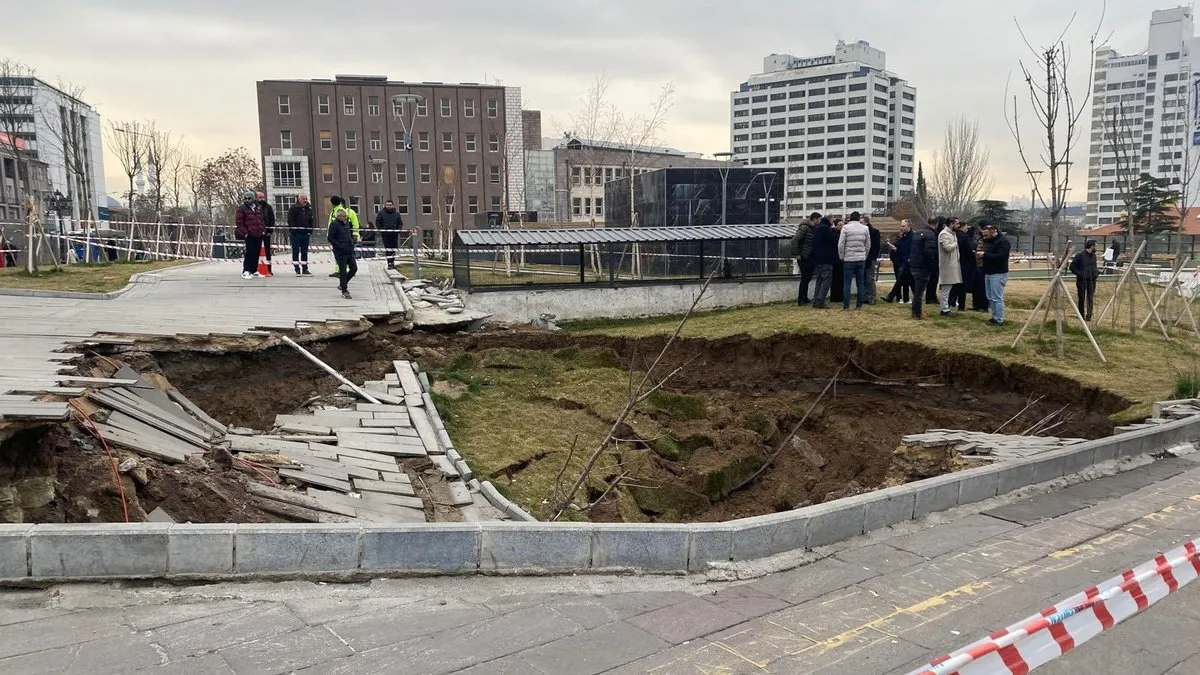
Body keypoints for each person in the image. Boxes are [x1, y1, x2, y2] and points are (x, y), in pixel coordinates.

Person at [978, 221, 1011, 325]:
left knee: (997, 297)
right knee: (990, 297)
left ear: (993, 231)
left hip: (998, 273)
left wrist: (985, 255)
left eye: (986, 235)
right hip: (988, 272)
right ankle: (994, 316)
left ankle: (999, 319)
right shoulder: (989, 241)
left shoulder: (1003, 242)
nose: (985, 237)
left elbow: (1001, 257)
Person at [838, 211, 870, 310]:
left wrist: (842, 256)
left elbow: (841, 244)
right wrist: (864, 255)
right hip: (861, 258)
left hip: (849, 258)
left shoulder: (845, 228)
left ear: (850, 218)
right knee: (860, 283)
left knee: (847, 283)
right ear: (858, 218)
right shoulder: (865, 228)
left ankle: (846, 306)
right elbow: (868, 245)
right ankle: (859, 305)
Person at [906, 218, 938, 319]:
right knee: (919, 292)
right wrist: (931, 266)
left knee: (917, 291)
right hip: (923, 266)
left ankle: (915, 312)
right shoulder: (931, 235)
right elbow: (929, 252)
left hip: (914, 264)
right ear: (936, 224)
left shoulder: (917, 232)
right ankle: (916, 313)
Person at [235, 190, 267, 279]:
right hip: (249, 234)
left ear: (252, 198)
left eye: (249, 198)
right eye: (245, 198)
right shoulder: (241, 209)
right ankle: (246, 270)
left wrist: (263, 230)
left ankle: (254, 270)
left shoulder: (258, 208)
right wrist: (245, 233)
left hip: (258, 234)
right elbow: (239, 222)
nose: (247, 200)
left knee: (256, 253)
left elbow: (261, 220)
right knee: (250, 252)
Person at [327, 196, 360, 277]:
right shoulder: (333, 212)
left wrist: (355, 235)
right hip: (336, 238)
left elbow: (355, 224)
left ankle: (348, 271)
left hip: (347, 238)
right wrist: (329, 235)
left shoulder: (350, 212)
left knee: (348, 255)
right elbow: (330, 224)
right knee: (338, 255)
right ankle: (339, 271)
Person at [328, 207, 357, 299]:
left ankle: (342, 284)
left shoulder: (346, 224)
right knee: (343, 271)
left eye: (346, 216)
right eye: (344, 216)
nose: (346, 217)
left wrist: (352, 242)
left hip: (349, 250)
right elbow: (330, 238)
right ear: (339, 216)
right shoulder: (334, 225)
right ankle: (344, 290)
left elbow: (349, 235)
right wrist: (339, 246)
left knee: (354, 268)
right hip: (340, 252)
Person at [791, 212, 819, 305]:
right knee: (805, 278)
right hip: (804, 257)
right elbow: (795, 240)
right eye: (818, 219)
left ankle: (804, 298)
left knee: (807, 278)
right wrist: (797, 254)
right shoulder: (805, 228)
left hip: (809, 256)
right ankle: (801, 299)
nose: (819, 222)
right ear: (814, 219)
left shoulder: (812, 229)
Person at [809, 216, 838, 309]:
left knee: (819, 279)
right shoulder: (826, 229)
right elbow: (833, 240)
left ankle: (815, 299)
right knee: (826, 280)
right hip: (826, 259)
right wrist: (833, 230)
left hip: (817, 259)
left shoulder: (817, 229)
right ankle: (820, 301)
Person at [937, 218, 962, 316]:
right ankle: (944, 309)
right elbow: (947, 248)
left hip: (952, 264)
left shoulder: (952, 234)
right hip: (947, 265)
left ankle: (946, 307)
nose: (958, 225)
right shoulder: (944, 234)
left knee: (949, 287)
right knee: (946, 288)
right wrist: (955, 243)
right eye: (957, 223)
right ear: (951, 224)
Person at [1070, 239, 1100, 321]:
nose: (1096, 248)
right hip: (1081, 280)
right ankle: (1081, 315)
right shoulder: (1080, 255)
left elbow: (1094, 266)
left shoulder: (1094, 256)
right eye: (1095, 246)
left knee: (1090, 297)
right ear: (1091, 246)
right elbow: (1072, 267)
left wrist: (1096, 273)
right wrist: (1080, 274)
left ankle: (1089, 315)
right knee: (1081, 298)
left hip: (1092, 280)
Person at [885, 220, 913, 303]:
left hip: (908, 262)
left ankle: (892, 297)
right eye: (901, 226)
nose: (901, 228)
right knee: (902, 280)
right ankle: (894, 297)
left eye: (903, 226)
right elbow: (901, 248)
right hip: (903, 261)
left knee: (905, 281)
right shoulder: (903, 236)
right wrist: (896, 249)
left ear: (909, 226)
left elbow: (912, 249)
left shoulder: (913, 236)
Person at [950, 221, 976, 311]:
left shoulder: (953, 236)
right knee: (962, 285)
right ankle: (961, 305)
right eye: (966, 227)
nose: (967, 229)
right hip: (965, 263)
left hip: (954, 262)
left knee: (954, 284)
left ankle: (951, 302)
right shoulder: (965, 238)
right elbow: (969, 250)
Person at [286, 194, 314, 275]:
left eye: (306, 199)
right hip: (296, 234)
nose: (305, 200)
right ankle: (297, 268)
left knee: (304, 252)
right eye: (303, 199)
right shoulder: (293, 208)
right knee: (295, 251)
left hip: (306, 234)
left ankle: (305, 268)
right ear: (299, 199)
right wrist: (294, 231)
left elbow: (311, 220)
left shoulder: (308, 208)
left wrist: (310, 231)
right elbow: (290, 220)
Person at [376, 199, 405, 269]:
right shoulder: (381, 213)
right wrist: (382, 230)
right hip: (386, 235)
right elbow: (377, 222)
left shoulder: (396, 214)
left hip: (394, 235)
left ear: (393, 205)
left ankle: (392, 262)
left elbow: (400, 223)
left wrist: (398, 230)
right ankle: (389, 263)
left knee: (394, 249)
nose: (389, 206)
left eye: (390, 205)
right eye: (387, 205)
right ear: (385, 205)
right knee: (388, 249)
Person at [255, 191, 276, 273]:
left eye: (263, 197)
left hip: (266, 232)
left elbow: (272, 219)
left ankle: (269, 269)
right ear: (256, 198)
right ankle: (255, 268)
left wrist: (270, 230)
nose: (262, 199)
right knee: (256, 251)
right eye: (260, 197)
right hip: (256, 233)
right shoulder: (254, 207)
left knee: (267, 251)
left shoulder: (268, 207)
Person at [863, 214, 882, 304]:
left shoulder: (874, 232)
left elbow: (877, 246)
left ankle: (872, 297)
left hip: (870, 258)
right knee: (863, 278)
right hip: (863, 257)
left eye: (861, 222)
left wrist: (873, 257)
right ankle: (866, 296)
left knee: (869, 278)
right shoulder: (862, 232)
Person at [830, 217, 845, 304]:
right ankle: (835, 297)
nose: (842, 226)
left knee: (840, 279)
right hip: (836, 259)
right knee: (835, 279)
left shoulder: (841, 233)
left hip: (840, 259)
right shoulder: (835, 234)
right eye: (840, 225)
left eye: (843, 224)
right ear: (835, 225)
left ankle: (839, 296)